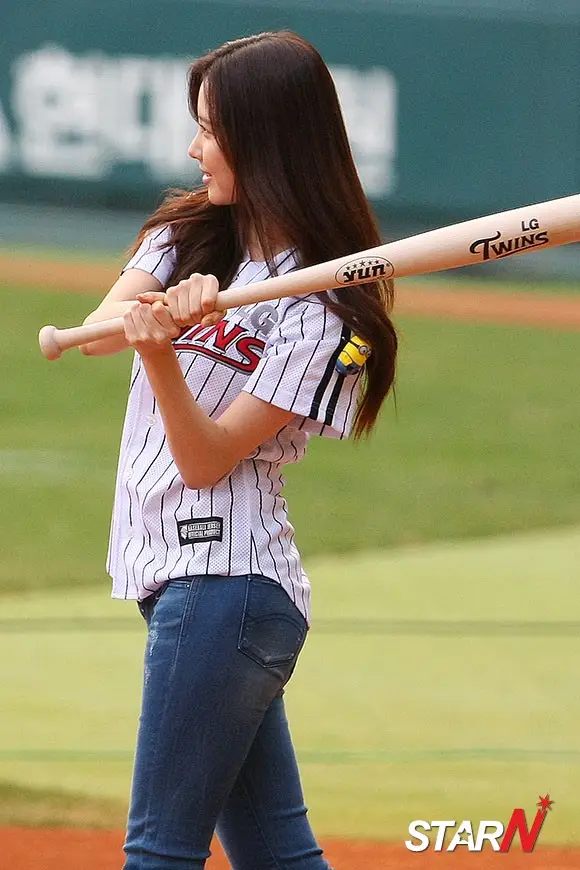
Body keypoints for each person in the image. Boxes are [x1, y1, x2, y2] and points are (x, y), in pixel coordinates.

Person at [81, 30, 398, 870]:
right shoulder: (194, 232)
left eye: (212, 131)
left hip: (227, 585)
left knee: (158, 853)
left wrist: (164, 352)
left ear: (268, 141)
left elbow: (206, 458)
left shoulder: (324, 311)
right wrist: (157, 319)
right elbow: (97, 336)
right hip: (190, 587)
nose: (194, 148)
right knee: (276, 856)